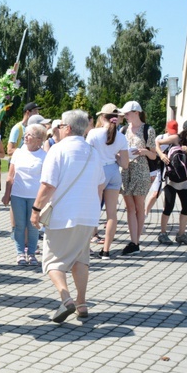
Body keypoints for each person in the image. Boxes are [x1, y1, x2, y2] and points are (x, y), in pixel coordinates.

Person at [31, 110, 105, 323]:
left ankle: (66, 298)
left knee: (52, 261)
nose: (58, 128)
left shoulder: (58, 150)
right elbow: (100, 185)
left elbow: (47, 185)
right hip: (88, 214)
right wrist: (94, 210)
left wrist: (36, 210)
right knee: (81, 259)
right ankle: (81, 303)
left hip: (63, 214)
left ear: (69, 128)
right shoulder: (93, 152)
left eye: (60, 125)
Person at [85, 104, 130, 259]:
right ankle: (106, 250)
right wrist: (115, 157)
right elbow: (125, 164)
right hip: (113, 171)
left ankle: (85, 247)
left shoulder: (93, 133)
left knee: (92, 210)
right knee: (112, 214)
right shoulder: (121, 137)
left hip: (98, 172)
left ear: (102, 116)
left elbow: (88, 156)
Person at [2, 123, 47, 265]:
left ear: (39, 139)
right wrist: (6, 194)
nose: (26, 137)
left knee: (33, 226)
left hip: (35, 196)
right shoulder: (18, 152)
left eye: (30, 135)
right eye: (26, 134)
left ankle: (32, 254)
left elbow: (46, 179)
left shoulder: (44, 156)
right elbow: (10, 176)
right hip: (18, 195)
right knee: (19, 226)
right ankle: (20, 253)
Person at [155, 119, 187, 245]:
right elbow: (157, 143)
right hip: (172, 179)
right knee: (168, 207)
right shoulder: (176, 138)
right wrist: (162, 155)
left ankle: (181, 234)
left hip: (184, 180)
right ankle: (162, 234)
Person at [119, 101, 157, 255]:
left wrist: (144, 152)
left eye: (127, 113)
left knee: (139, 207)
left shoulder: (148, 129)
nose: (125, 116)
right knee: (130, 208)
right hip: (126, 170)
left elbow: (154, 155)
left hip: (141, 170)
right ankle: (133, 240)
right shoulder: (122, 130)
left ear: (136, 112)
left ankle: (136, 241)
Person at [145, 120, 178, 216]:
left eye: (175, 130)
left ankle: (165, 215)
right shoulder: (160, 137)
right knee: (156, 193)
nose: (173, 132)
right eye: (171, 129)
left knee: (168, 195)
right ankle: (145, 212)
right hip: (160, 167)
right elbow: (154, 150)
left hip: (171, 169)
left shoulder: (177, 138)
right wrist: (162, 155)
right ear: (166, 128)